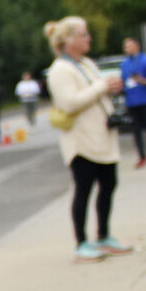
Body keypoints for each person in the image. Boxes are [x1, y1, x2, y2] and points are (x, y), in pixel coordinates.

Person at [46, 17, 131, 260]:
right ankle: (81, 242)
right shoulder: (60, 70)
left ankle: (104, 236)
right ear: (68, 40)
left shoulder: (87, 63)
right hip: (81, 141)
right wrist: (101, 87)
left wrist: (110, 87)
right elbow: (69, 103)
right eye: (83, 34)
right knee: (84, 189)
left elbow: (96, 91)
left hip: (102, 136)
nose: (88, 38)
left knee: (109, 184)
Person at [120, 36, 146, 166]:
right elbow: (123, 81)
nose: (127, 48)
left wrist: (142, 81)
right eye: (125, 46)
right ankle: (142, 156)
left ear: (137, 46)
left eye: (129, 45)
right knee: (136, 130)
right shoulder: (124, 64)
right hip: (131, 100)